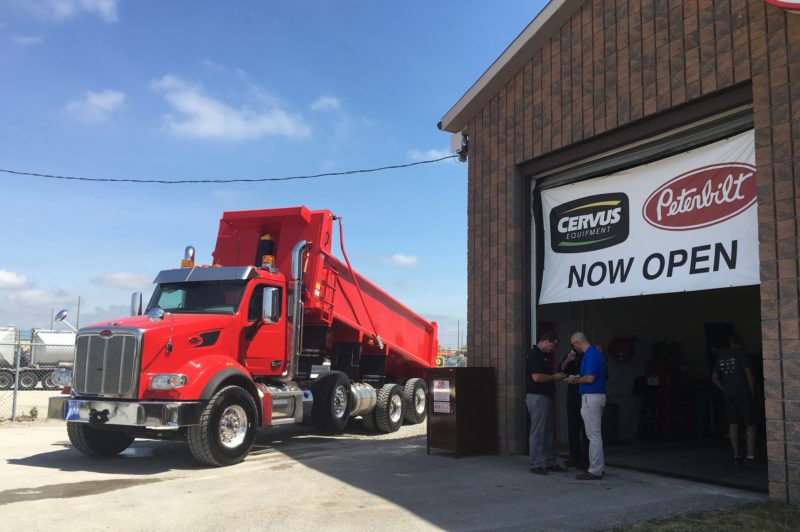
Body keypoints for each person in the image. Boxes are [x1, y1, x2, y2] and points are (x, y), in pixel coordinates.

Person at [565, 332, 607, 480]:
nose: (573, 348)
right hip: (596, 396)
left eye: (573, 345)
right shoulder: (595, 354)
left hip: (591, 396)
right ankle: (598, 467)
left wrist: (574, 381)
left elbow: (589, 378)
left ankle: (595, 470)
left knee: (593, 435)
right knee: (595, 434)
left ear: (577, 343)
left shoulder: (590, 355)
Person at [712, 334, 758, 467]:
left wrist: (724, 389)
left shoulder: (721, 358)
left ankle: (736, 457)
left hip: (729, 394)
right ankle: (750, 457)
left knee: (733, 424)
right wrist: (752, 391)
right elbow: (749, 374)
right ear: (739, 344)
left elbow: (714, 377)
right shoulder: (742, 356)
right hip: (743, 393)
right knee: (750, 424)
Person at [526, 331, 567, 475]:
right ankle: (535, 464)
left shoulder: (542, 356)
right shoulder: (534, 355)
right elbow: (536, 377)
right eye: (553, 345)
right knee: (537, 432)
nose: (553, 349)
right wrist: (554, 377)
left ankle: (549, 462)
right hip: (537, 398)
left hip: (545, 397)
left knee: (548, 432)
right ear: (545, 341)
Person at [559, 347, 587, 469]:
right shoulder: (571, 355)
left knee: (587, 429)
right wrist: (567, 360)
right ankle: (575, 457)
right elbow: (560, 371)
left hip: (586, 394)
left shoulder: (590, 355)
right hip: (573, 395)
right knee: (572, 428)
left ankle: (587, 459)